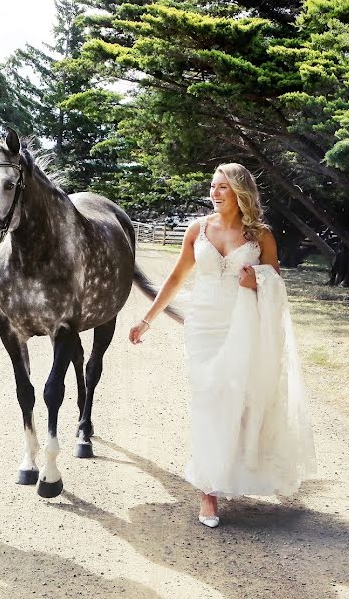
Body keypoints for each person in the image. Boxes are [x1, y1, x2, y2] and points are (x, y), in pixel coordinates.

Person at [129, 163, 316, 528]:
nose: (214, 193)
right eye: (213, 187)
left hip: (243, 323)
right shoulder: (198, 229)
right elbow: (177, 276)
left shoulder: (260, 235)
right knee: (209, 399)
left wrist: (257, 280)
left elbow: (275, 280)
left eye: (223, 188)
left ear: (240, 192)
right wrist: (147, 318)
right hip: (203, 327)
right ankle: (208, 492)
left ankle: (237, 468)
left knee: (240, 401)